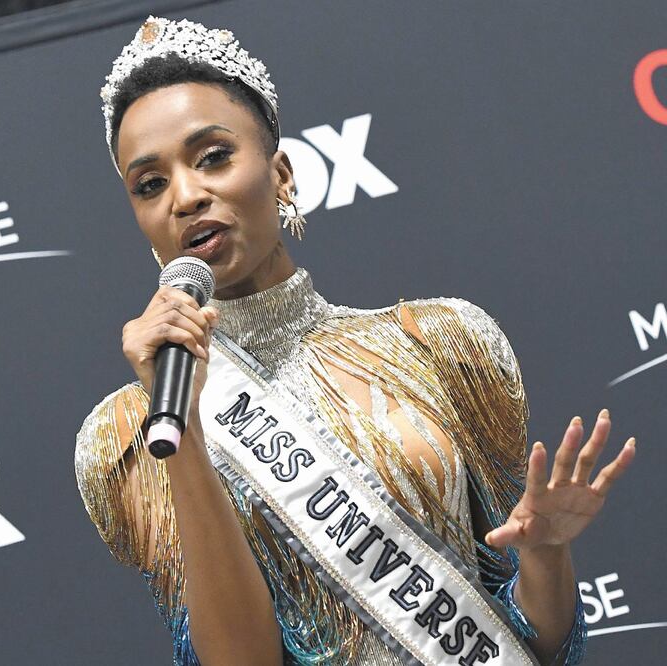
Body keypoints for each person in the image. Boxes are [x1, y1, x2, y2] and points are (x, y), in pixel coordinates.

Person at [75, 16, 636, 666]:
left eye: (213, 157)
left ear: (281, 175)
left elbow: (539, 643)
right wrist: (186, 436)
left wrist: (545, 555)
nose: (186, 196)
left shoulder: (442, 344)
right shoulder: (129, 434)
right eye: (150, 184)